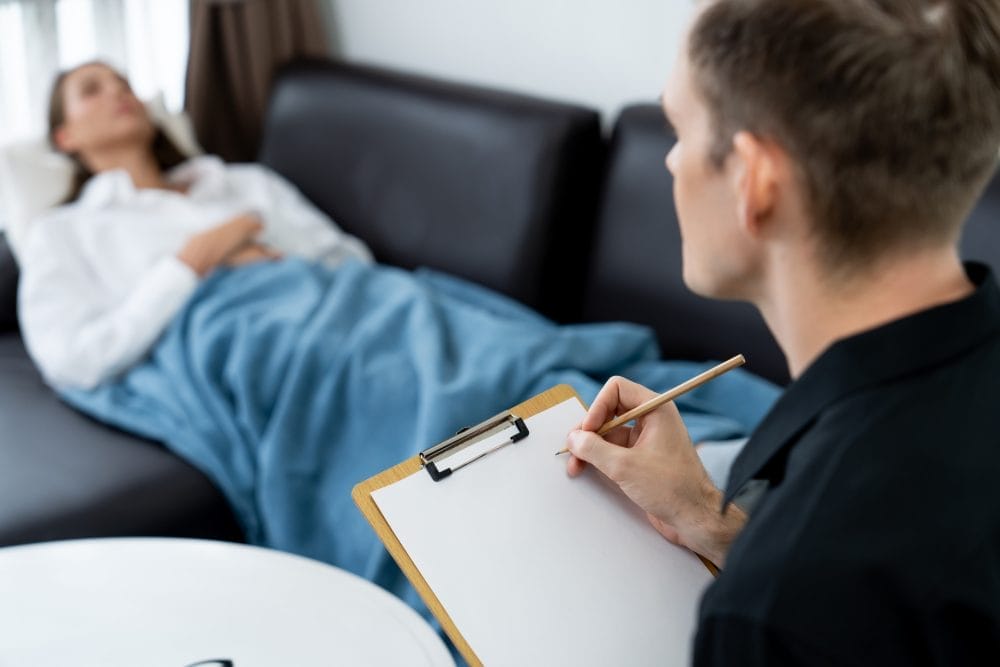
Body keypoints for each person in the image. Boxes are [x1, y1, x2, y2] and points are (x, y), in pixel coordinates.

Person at [564, 0, 1000, 663]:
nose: (672, 162)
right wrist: (716, 523)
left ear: (754, 179)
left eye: (679, 128)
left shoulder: (771, 609)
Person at [19, 61, 371, 390]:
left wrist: (259, 241)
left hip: (348, 312)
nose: (118, 91)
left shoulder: (247, 183)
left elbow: (353, 260)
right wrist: (190, 264)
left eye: (124, 83)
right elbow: (72, 359)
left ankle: (422, 455)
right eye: (92, 89)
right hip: (260, 350)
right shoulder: (61, 232)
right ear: (65, 137)